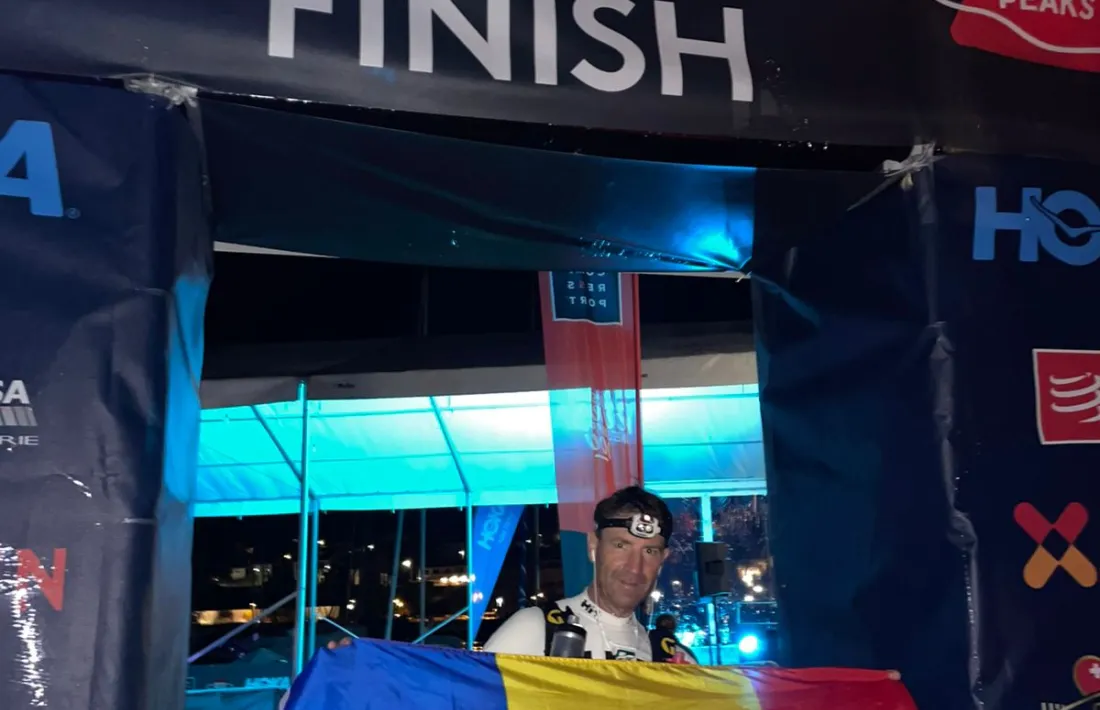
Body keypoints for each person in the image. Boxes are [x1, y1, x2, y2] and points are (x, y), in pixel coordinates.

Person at [482, 485, 675, 662]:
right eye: (621, 545)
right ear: (593, 546)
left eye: (650, 551)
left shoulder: (671, 658)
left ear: (662, 561)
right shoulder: (533, 629)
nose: (635, 567)